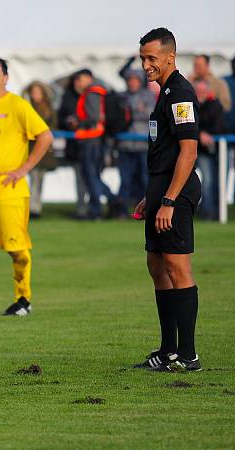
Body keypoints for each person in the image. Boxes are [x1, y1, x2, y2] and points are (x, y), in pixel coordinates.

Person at [132, 28, 202, 372]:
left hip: (177, 192)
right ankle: (167, 349)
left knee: (177, 267)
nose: (145, 64)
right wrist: (152, 197)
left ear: (170, 58)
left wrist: (170, 199)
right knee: (156, 266)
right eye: (143, 57)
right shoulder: (164, 93)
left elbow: (189, 150)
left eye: (151, 58)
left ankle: (188, 355)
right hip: (160, 190)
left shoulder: (180, 93)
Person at [0, 57, 54, 316]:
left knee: (17, 250)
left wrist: (24, 169)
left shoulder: (18, 105)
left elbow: (45, 136)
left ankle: (23, 299)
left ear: (5, 77)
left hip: (9, 192)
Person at [69, 69, 118, 220]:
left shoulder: (91, 93)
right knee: (92, 176)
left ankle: (99, 209)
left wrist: (77, 122)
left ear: (89, 78)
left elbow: (94, 118)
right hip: (95, 140)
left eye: (80, 79)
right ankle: (112, 202)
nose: (77, 83)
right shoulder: (97, 92)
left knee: (91, 176)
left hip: (92, 140)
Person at [117, 69, 154, 210]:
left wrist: (132, 111)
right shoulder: (121, 96)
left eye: (135, 80)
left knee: (144, 179)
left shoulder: (148, 95)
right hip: (125, 145)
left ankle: (146, 208)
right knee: (125, 179)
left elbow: (151, 113)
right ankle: (122, 210)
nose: (132, 83)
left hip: (143, 145)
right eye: (129, 80)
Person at [23, 81, 59, 219]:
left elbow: (52, 126)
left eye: (37, 92)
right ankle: (33, 207)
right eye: (33, 92)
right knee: (33, 178)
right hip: (31, 148)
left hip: (44, 149)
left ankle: (36, 206)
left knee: (40, 178)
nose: (35, 95)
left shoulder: (49, 108)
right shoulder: (28, 107)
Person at [193, 79, 226, 220]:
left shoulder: (215, 105)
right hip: (191, 149)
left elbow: (219, 127)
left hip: (206, 151)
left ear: (208, 92)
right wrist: (200, 133)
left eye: (202, 91)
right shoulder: (190, 106)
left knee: (208, 181)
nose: (200, 94)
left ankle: (208, 212)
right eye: (198, 91)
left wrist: (203, 133)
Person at [57, 72, 89, 219]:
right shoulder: (67, 97)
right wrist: (68, 122)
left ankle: (99, 206)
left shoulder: (94, 96)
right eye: (76, 80)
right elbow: (60, 119)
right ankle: (82, 209)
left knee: (93, 179)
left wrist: (81, 123)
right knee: (80, 179)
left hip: (92, 146)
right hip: (75, 147)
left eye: (80, 80)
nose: (78, 83)